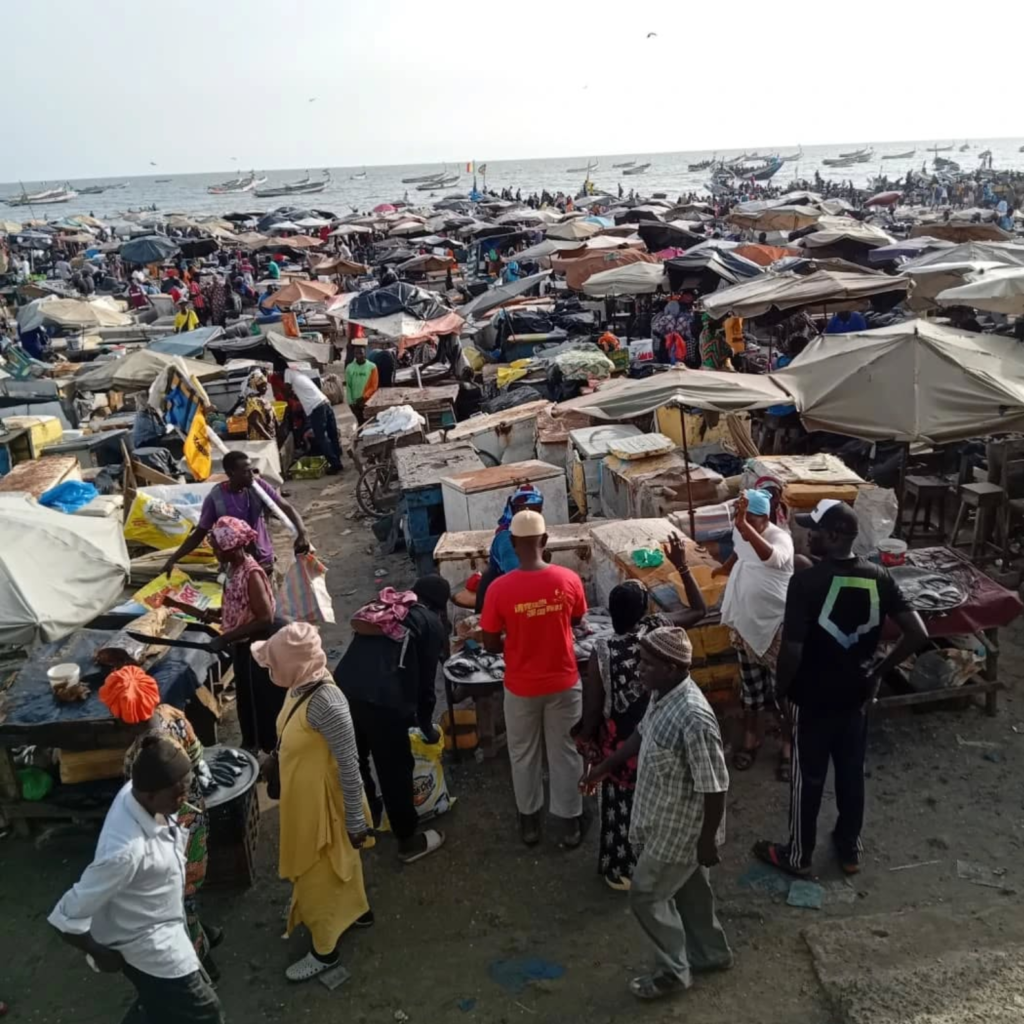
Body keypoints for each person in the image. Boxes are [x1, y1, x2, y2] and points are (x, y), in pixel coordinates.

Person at [754, 500, 927, 877]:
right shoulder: (880, 577)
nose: (808, 534)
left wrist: (780, 692)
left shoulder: (805, 583)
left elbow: (792, 649)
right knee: (851, 772)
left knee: (808, 778)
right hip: (856, 696)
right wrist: (878, 669)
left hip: (811, 697)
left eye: (813, 529)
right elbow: (918, 632)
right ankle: (849, 850)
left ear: (832, 536)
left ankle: (798, 856)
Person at [583, 627, 731, 1001]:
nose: (638, 669)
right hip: (664, 817)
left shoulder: (695, 718)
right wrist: (603, 768)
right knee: (691, 894)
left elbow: (715, 785)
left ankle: (672, 973)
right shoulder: (661, 695)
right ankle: (710, 955)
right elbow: (640, 736)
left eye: (646, 664)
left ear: (670, 667)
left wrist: (706, 841)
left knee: (646, 895)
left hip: (681, 831)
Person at [48, 737, 225, 1023]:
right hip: (150, 949)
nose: (183, 802)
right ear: (150, 795)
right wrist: (98, 951)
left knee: (159, 1006)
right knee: (206, 1012)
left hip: (167, 923)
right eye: (176, 796)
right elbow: (65, 914)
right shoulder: (124, 853)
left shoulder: (137, 791)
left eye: (185, 791)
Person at [574, 536, 707, 890]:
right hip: (660, 738)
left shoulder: (603, 650)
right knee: (659, 802)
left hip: (620, 745)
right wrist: (681, 565)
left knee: (620, 808)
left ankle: (622, 870)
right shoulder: (657, 631)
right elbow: (699, 610)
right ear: (644, 611)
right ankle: (660, 864)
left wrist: (586, 738)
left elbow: (591, 710)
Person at [252, 623, 372, 982]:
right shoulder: (301, 685)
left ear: (293, 665)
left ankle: (325, 950)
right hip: (305, 800)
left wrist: (354, 820)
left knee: (317, 875)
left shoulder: (329, 704)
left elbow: (350, 765)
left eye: (274, 663)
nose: (270, 670)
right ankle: (358, 911)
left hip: (325, 809)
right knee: (341, 865)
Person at [481, 510, 588, 848]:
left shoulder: (499, 589)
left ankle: (529, 823)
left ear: (512, 543)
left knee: (523, 753)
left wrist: (516, 639)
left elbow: (489, 642)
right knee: (566, 751)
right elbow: (578, 620)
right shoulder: (568, 579)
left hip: (521, 686)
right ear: (545, 541)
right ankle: (569, 823)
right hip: (564, 683)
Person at [335, 576, 450, 864]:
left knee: (355, 757)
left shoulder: (386, 605)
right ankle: (408, 841)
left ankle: (368, 814)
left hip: (343, 688)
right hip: (383, 701)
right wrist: (425, 727)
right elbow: (425, 686)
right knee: (395, 769)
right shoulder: (429, 621)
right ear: (439, 606)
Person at [122, 702, 222, 979]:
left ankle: (202, 962)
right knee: (191, 886)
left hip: (172, 833)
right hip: (196, 815)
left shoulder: (139, 757)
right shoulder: (172, 714)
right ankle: (205, 931)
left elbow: (140, 803)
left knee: (177, 899)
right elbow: (196, 752)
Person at [714, 490, 795, 777]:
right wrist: (723, 567)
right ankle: (751, 737)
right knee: (751, 688)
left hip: (775, 628)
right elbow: (740, 549)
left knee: (783, 692)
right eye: (742, 519)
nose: (745, 525)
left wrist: (743, 526)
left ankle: (788, 744)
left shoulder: (780, 538)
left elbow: (771, 558)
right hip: (745, 624)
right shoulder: (742, 532)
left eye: (751, 520)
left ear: (765, 519)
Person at [162, 451, 309, 578]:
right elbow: (199, 533)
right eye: (246, 471)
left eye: (252, 470)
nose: (252, 475)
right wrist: (173, 559)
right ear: (231, 473)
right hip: (236, 567)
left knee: (267, 605)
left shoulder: (259, 487)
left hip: (263, 560)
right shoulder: (216, 499)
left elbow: (286, 508)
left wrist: (302, 533)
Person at [474, 484, 544, 612]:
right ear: (515, 510)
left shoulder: (532, 534)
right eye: (524, 510)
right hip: (501, 605)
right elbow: (519, 583)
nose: (530, 515)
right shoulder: (507, 541)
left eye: (536, 510)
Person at [286, 368, 344, 472]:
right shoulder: (300, 373)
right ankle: (338, 460)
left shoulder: (288, 372)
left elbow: (286, 389)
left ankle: (335, 464)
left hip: (316, 407)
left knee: (321, 437)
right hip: (325, 401)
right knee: (332, 433)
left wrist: (290, 393)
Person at [344, 341, 379, 426]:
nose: (358, 356)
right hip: (355, 403)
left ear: (365, 353)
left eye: (361, 353)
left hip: (367, 402)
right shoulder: (349, 367)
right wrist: (351, 402)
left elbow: (373, 386)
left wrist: (363, 398)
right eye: (356, 353)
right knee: (360, 422)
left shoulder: (372, 367)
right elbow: (348, 386)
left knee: (368, 423)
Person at [241, 369, 277, 441]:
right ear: (255, 387)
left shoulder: (261, 398)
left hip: (267, 437)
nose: (266, 388)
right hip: (259, 440)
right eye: (263, 386)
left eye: (266, 385)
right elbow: (254, 422)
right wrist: (268, 439)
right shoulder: (253, 401)